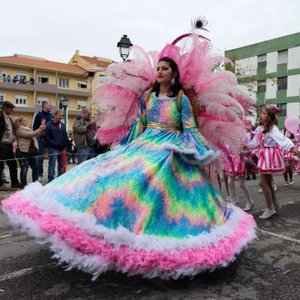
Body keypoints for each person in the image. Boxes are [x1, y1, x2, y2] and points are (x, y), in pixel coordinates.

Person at [2, 36, 256, 280]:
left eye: (164, 69)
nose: (160, 72)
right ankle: (110, 229)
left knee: (164, 190)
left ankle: (161, 237)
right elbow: (138, 124)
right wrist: (124, 147)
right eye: (158, 68)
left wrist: (198, 150)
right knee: (117, 178)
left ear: (173, 74)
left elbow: (188, 128)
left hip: (172, 147)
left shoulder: (181, 100)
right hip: (145, 143)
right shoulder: (147, 97)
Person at [245, 104, 299, 219]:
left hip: (270, 156)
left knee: (262, 183)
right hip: (264, 155)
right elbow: (255, 143)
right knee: (268, 182)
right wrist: (247, 146)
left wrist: (292, 148)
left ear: (270, 117)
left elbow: (282, 139)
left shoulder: (272, 128)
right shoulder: (260, 128)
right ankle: (274, 204)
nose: (261, 115)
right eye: (262, 113)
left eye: (264, 113)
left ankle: (270, 208)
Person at [14, 117, 45, 187]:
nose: (26, 121)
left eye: (26, 119)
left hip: (31, 152)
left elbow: (35, 136)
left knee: (35, 168)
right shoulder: (19, 130)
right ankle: (24, 185)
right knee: (24, 169)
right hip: (23, 152)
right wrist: (39, 129)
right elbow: (29, 135)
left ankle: (35, 183)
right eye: (24, 120)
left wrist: (41, 130)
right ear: (20, 122)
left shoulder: (29, 129)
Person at [44, 110, 69, 182]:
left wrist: (66, 145)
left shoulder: (63, 125)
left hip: (62, 148)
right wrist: (51, 144)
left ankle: (60, 178)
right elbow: (46, 137)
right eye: (59, 115)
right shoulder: (48, 125)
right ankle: (51, 179)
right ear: (54, 115)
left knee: (61, 164)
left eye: (62, 116)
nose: (61, 117)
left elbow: (65, 136)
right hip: (53, 148)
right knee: (52, 164)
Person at [0, 101, 20, 188]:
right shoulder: (0, 116)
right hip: (2, 143)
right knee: (0, 164)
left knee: (13, 163)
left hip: (9, 144)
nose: (12, 110)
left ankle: (14, 182)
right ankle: (0, 183)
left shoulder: (9, 118)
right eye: (11, 108)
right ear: (5, 108)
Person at [32, 101, 53, 181]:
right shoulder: (38, 115)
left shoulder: (51, 116)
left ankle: (51, 175)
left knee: (52, 157)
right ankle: (39, 174)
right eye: (50, 105)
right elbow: (34, 128)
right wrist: (37, 136)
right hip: (41, 139)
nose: (51, 106)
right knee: (40, 158)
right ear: (44, 106)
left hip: (51, 139)